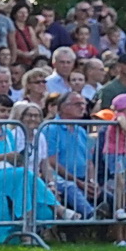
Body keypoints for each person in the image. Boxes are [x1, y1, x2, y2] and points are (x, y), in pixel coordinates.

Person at [0, 94, 58, 244]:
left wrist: (18, 158)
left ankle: (28, 233)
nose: (6, 115)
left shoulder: (8, 133)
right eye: (2, 110)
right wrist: (6, 156)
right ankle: (57, 210)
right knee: (24, 175)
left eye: (8, 111)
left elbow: (13, 162)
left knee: (24, 179)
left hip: (5, 176)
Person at [37, 92, 97, 220]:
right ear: (63, 107)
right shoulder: (51, 128)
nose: (82, 108)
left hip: (82, 179)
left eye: (84, 104)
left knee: (107, 195)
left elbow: (89, 161)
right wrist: (78, 182)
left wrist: (92, 182)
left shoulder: (80, 130)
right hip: (60, 178)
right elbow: (51, 161)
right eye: (78, 104)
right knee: (71, 187)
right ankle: (93, 215)